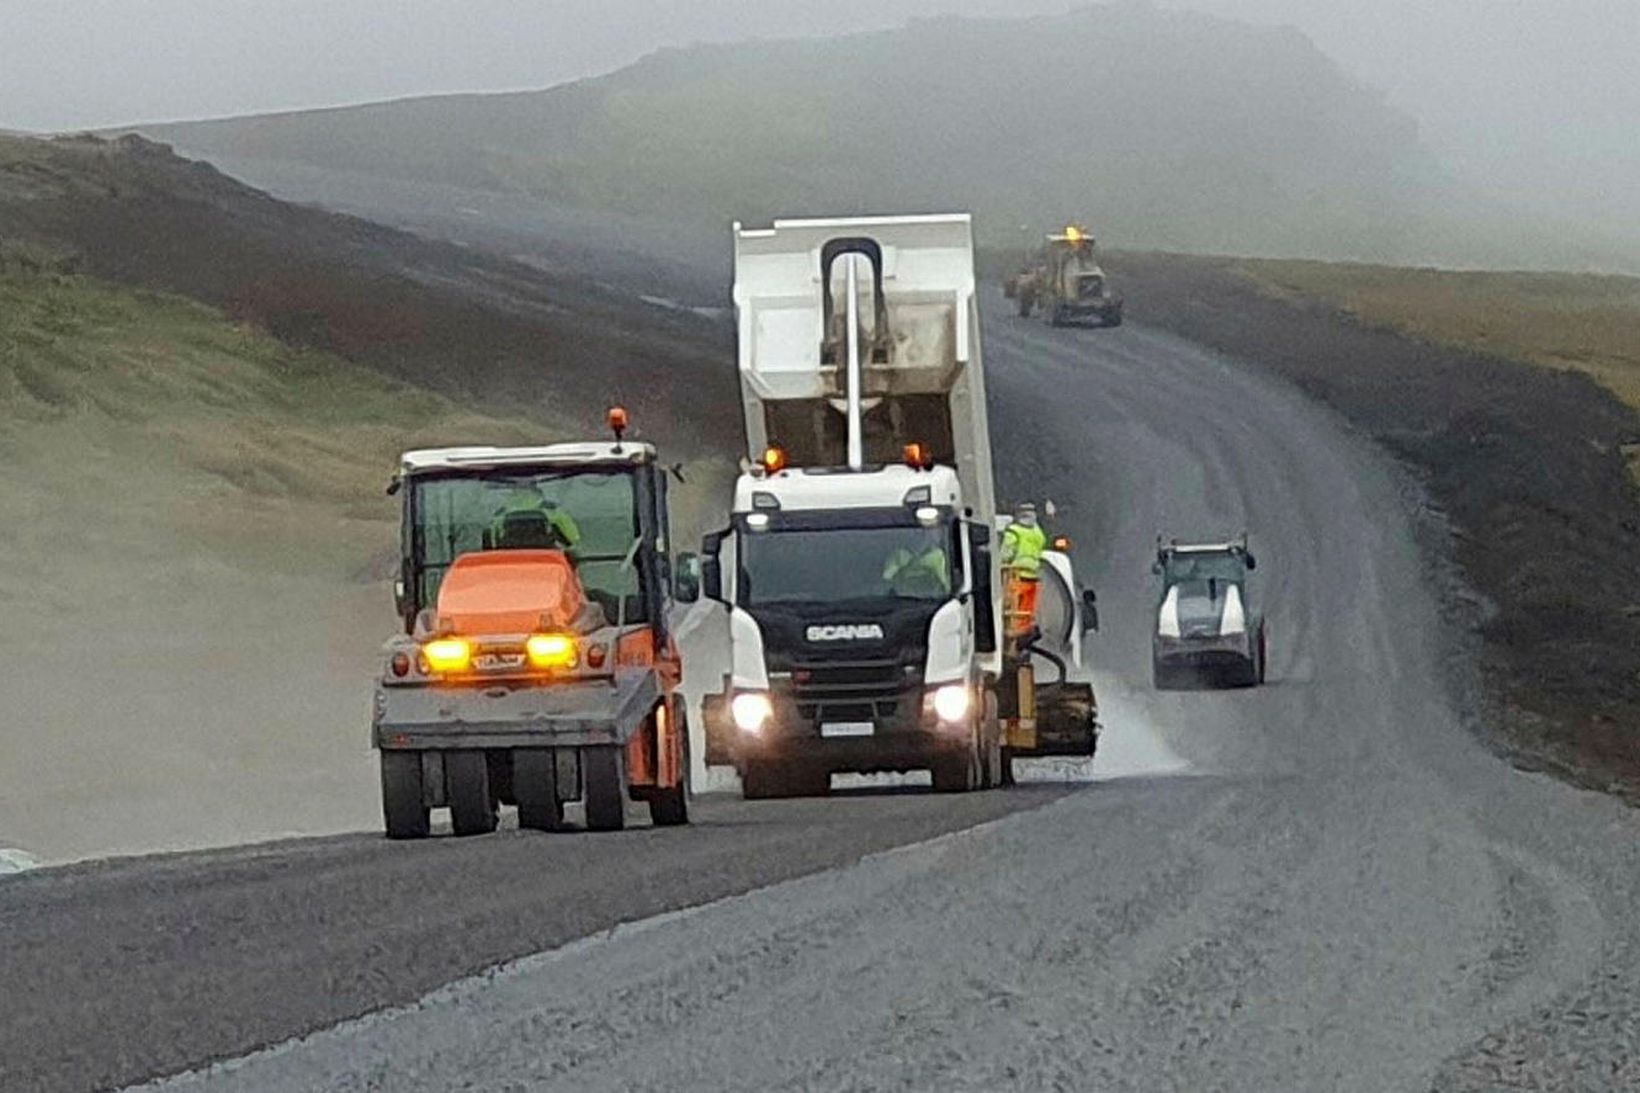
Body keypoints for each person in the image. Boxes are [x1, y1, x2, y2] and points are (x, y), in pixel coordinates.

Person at [1001, 501, 1048, 633]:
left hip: (1016, 574)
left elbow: (1006, 553)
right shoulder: (1037, 533)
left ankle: (1013, 630)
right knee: (1027, 609)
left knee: (1012, 607)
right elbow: (1041, 545)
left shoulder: (1014, 531)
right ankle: (1024, 631)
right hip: (1033, 576)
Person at [489, 489, 582, 552]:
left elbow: (490, 547)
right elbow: (575, 543)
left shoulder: (499, 515)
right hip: (551, 565)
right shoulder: (553, 511)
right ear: (535, 488)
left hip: (505, 566)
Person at [882, 540, 951, 599]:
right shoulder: (900, 556)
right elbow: (886, 577)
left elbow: (947, 585)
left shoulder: (936, 556)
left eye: (923, 579)